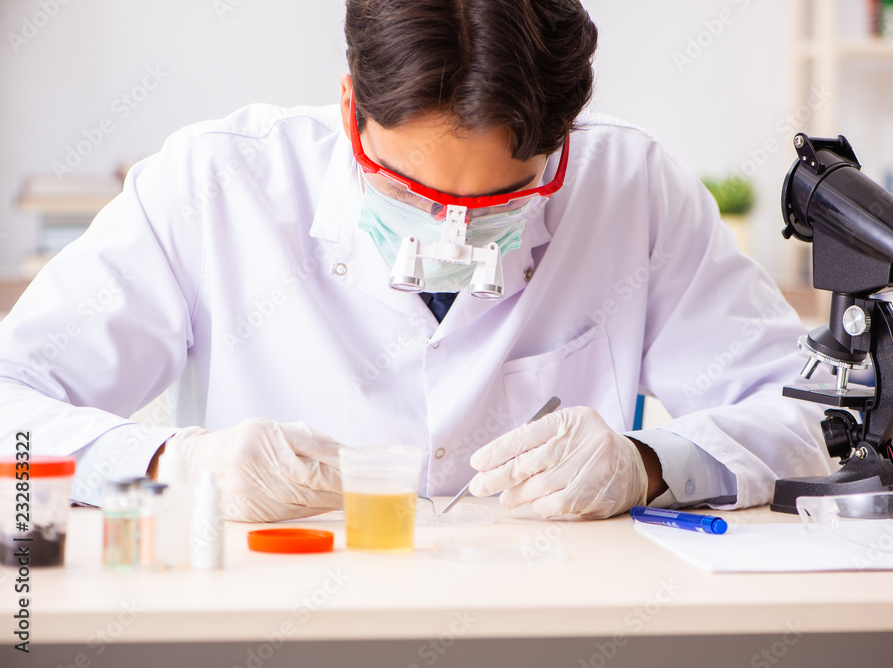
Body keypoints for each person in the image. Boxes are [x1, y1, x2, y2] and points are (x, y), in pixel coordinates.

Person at [0, 0, 833, 522]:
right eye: (409, 193)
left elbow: (816, 419)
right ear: (349, 106)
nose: (449, 241)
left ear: (559, 144)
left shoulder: (631, 186)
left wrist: (648, 464)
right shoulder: (215, 181)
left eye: (494, 208)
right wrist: (173, 462)